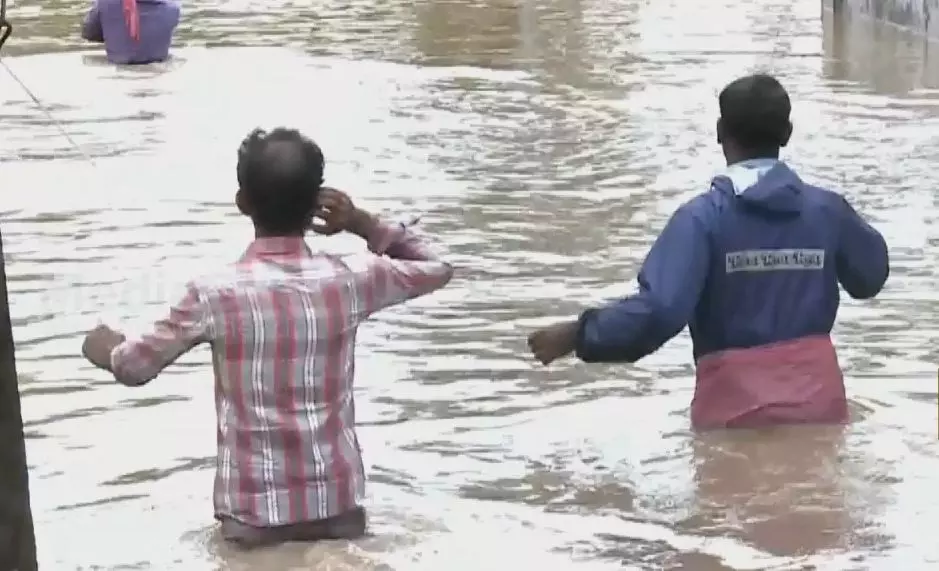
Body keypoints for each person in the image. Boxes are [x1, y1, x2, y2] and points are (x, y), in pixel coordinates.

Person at [80, 128, 454, 547]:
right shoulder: (352, 280)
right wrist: (361, 222)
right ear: (317, 203)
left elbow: (135, 368)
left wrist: (105, 347)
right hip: (339, 515)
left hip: (254, 525)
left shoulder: (214, 293)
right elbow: (438, 265)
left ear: (243, 203)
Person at [527, 74, 889, 430]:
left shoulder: (701, 220)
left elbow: (660, 312)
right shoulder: (827, 212)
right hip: (820, 410)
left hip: (734, 411)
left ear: (720, 131)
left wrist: (580, 334)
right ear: (787, 132)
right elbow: (871, 277)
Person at [80, 0, 180, 65]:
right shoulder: (173, 7)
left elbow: (88, 33)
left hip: (118, 73)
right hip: (159, 73)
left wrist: (113, 32)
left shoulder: (104, 3)